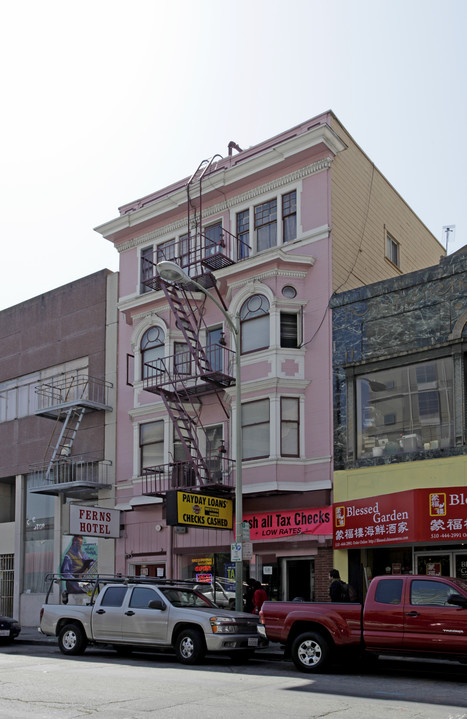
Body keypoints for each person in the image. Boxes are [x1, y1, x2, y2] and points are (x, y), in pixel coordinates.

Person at [61, 535, 94, 600]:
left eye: (81, 544)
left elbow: (88, 561)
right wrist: (76, 580)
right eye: (79, 544)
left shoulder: (81, 553)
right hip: (73, 585)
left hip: (81, 581)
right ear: (74, 543)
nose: (80, 546)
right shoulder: (68, 556)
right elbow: (65, 573)